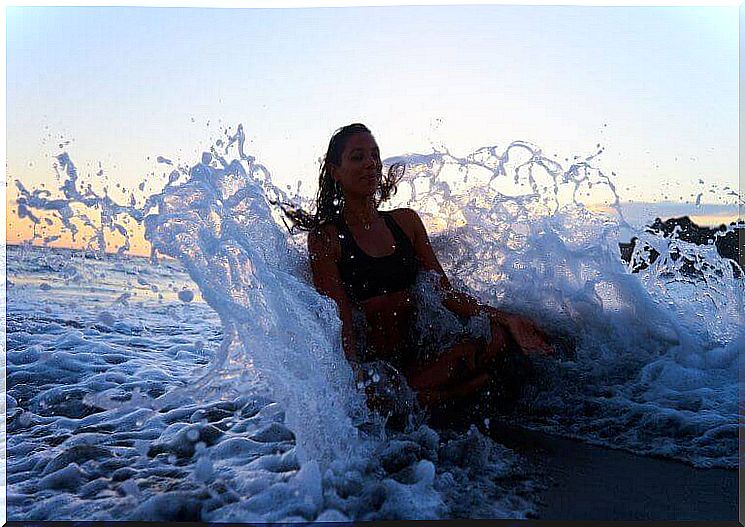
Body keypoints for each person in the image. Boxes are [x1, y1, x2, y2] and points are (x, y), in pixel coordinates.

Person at [285, 123, 554, 416]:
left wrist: (508, 318)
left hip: (425, 356)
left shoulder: (406, 222)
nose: (370, 164)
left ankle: (433, 396)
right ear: (335, 171)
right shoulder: (326, 238)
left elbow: (443, 292)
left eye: (375, 155)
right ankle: (445, 394)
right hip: (382, 369)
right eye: (357, 157)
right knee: (381, 397)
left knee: (496, 336)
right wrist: (353, 374)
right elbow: (339, 320)